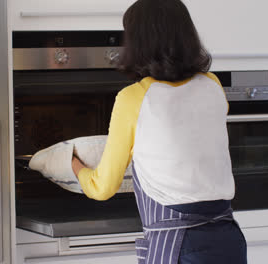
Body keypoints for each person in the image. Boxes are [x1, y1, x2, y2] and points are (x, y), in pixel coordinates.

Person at [72, 0, 247, 263]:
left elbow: (102, 187)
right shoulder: (212, 84)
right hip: (228, 239)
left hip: (180, 246)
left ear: (138, 43)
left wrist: (71, 162)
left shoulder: (135, 98)